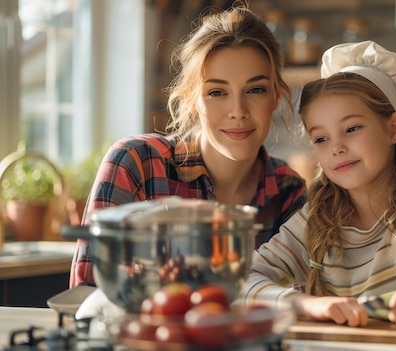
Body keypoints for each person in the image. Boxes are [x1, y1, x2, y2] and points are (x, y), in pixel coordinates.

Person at [239, 41, 396, 334]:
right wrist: (305, 304)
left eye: (351, 129)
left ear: (393, 128)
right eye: (321, 139)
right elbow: (243, 281)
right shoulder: (314, 220)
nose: (336, 148)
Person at [69, 5, 307, 288]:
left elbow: (289, 299)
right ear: (192, 99)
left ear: (276, 96)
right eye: (217, 92)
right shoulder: (136, 164)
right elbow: (87, 295)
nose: (238, 111)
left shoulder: (288, 190)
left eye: (255, 90)